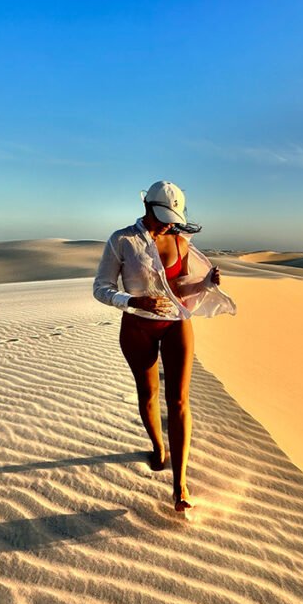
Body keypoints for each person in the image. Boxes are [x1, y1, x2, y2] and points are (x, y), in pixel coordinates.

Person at [93, 180, 236, 511]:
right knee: (148, 396)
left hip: (176, 325)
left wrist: (205, 283)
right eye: (162, 216)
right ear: (146, 208)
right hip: (137, 328)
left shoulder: (180, 241)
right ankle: (158, 446)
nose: (168, 223)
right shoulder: (122, 241)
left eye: (172, 217)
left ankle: (180, 485)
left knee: (180, 400)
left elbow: (179, 291)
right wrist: (133, 299)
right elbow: (100, 288)